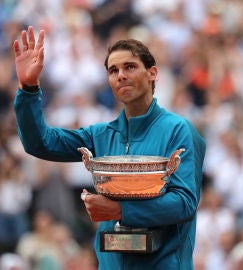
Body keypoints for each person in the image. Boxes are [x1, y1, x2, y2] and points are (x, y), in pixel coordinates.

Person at [13, 26, 206, 270]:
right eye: (113, 70)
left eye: (130, 67)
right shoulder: (101, 134)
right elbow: (40, 142)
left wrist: (118, 210)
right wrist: (28, 87)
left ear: (152, 73)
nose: (121, 75)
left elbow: (184, 202)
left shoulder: (179, 130)